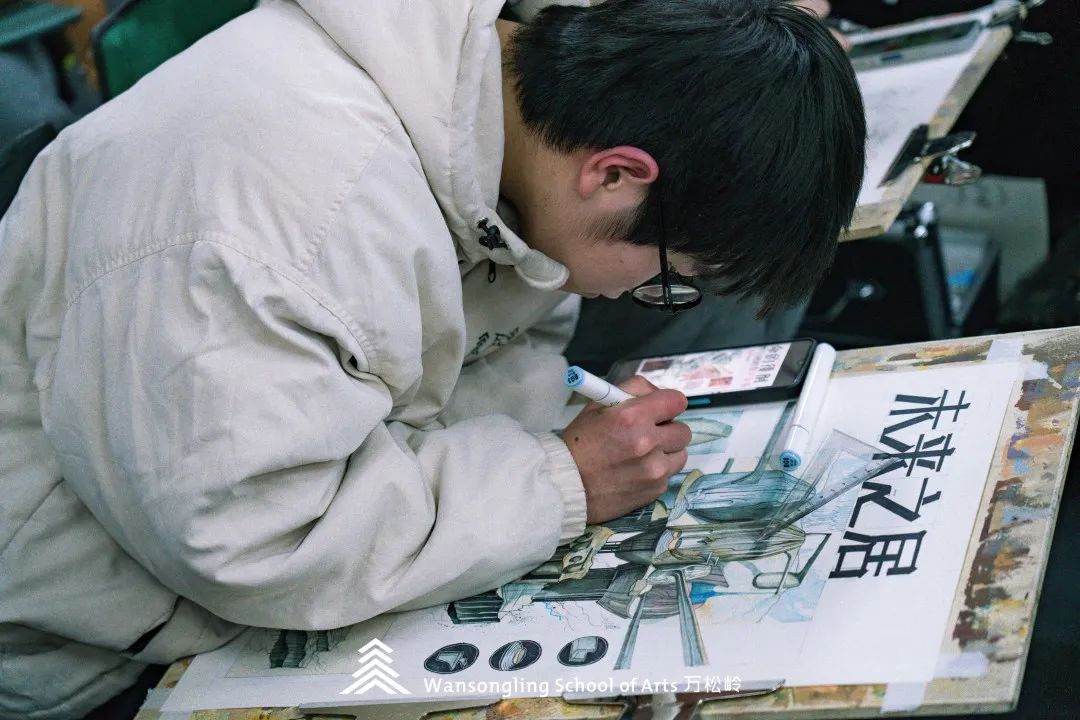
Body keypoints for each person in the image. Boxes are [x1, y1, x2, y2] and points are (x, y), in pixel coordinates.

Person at [0, 0, 864, 716]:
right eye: (668, 276)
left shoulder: (501, 118)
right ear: (614, 175)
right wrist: (557, 481)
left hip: (215, 590)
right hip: (89, 656)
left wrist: (564, 444)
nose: (638, 295)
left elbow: (493, 347)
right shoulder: (283, 224)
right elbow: (256, 536)